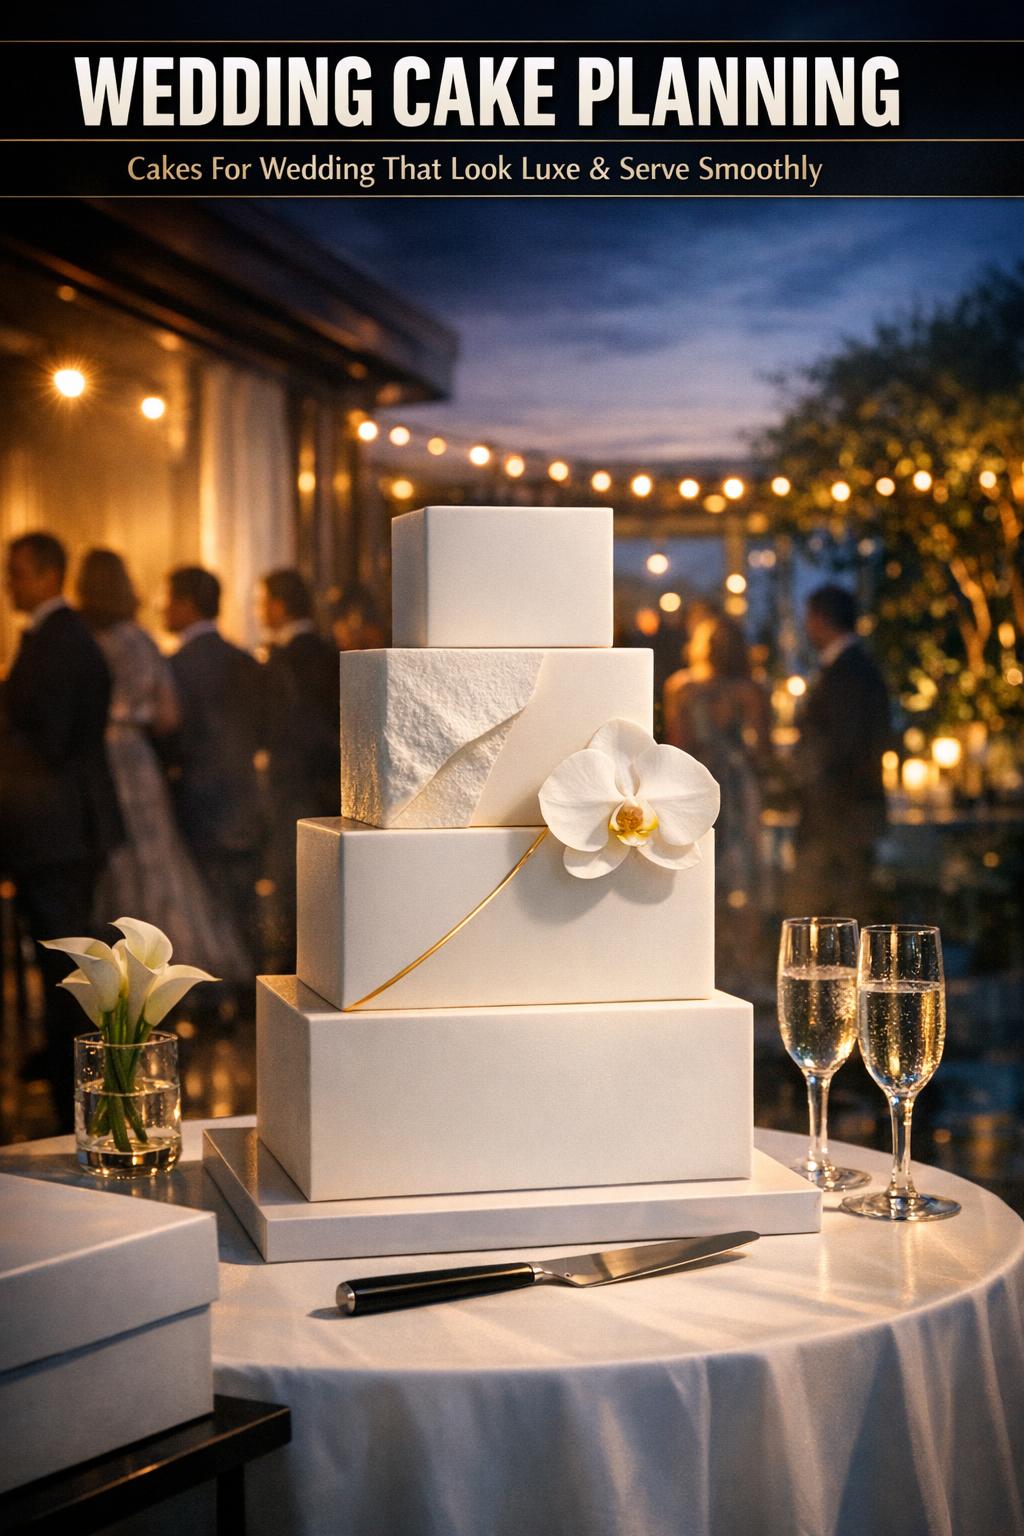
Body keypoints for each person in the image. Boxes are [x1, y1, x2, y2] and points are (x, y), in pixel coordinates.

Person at [76, 549, 249, 982]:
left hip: (95, 761)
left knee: (114, 868)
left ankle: (116, 972)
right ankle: (173, 965)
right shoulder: (137, 640)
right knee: (156, 864)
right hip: (135, 760)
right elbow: (168, 715)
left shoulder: (82, 640)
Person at [0, 532, 123, 1126]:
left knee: (67, 969)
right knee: (66, 964)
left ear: (49, 575)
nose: (9, 585)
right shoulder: (60, 637)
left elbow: (48, 741)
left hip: (56, 832)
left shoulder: (58, 640)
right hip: (63, 828)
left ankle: (72, 1098)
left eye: (17, 573)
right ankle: (68, 1081)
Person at [162, 565, 266, 974]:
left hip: (196, 803)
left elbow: (172, 739)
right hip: (245, 800)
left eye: (168, 599)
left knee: (205, 913)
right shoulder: (244, 661)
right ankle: (249, 994)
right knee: (244, 910)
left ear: (187, 604)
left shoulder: (174, 666)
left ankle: (215, 989)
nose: (162, 608)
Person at [663, 613, 771, 983]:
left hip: (696, 782)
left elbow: (677, 747)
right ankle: (745, 967)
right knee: (744, 874)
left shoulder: (681, 688)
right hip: (739, 785)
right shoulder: (750, 690)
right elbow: (763, 750)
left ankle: (701, 964)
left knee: (699, 869)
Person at [258, 567, 341, 969]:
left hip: (294, 784)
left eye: (262, 602)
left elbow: (280, 726)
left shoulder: (284, 659)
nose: (260, 611)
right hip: (330, 783)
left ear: (278, 605)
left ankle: (295, 964)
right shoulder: (329, 651)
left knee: (293, 879)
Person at [793, 583, 892, 917]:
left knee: (828, 911)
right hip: (848, 814)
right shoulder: (859, 667)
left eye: (808, 618)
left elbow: (839, 746)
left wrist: (802, 782)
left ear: (821, 620)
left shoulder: (847, 672)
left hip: (838, 816)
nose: (807, 627)